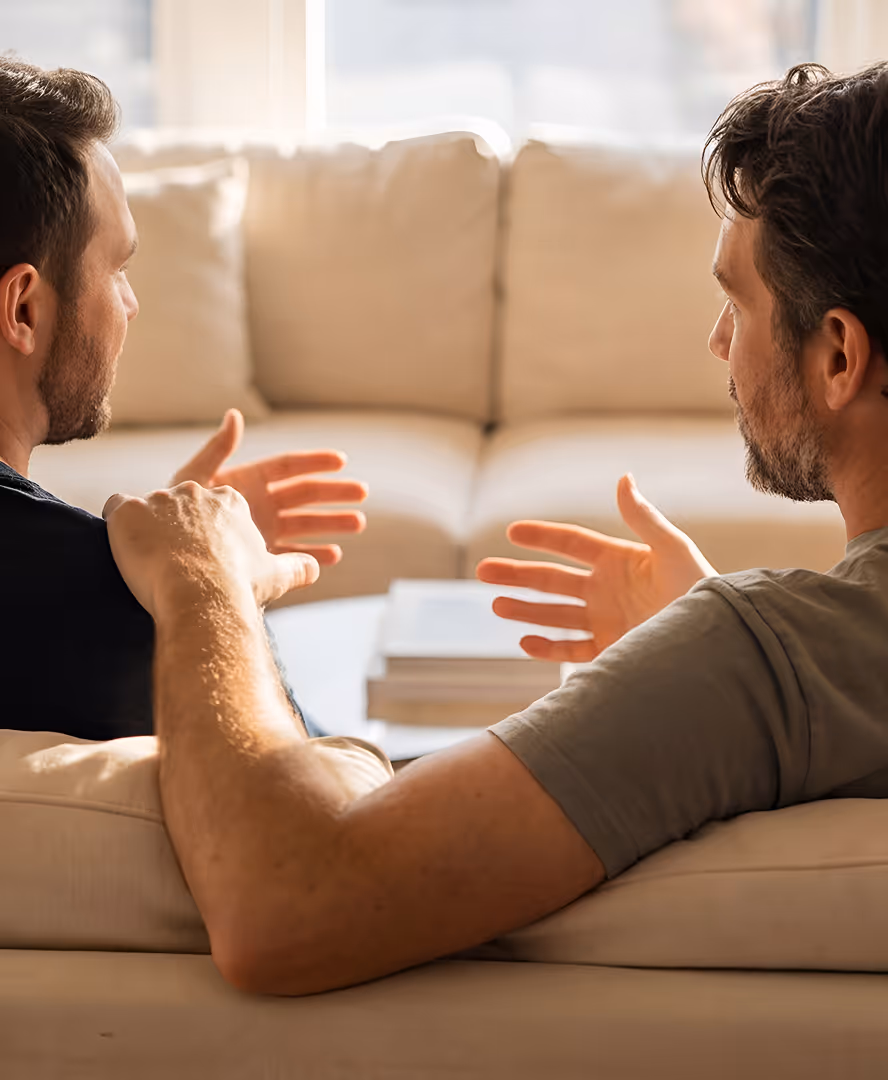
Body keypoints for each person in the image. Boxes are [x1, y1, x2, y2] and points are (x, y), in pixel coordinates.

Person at [101, 59, 888, 998]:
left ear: (838, 356)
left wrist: (203, 581)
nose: (719, 342)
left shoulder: (759, 662)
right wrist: (708, 637)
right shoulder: (806, 667)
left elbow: (286, 904)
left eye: (738, 303)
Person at [0, 58, 368, 740]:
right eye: (117, 268)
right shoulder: (123, 616)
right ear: (23, 308)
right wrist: (210, 581)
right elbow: (306, 780)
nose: (131, 304)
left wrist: (166, 547)